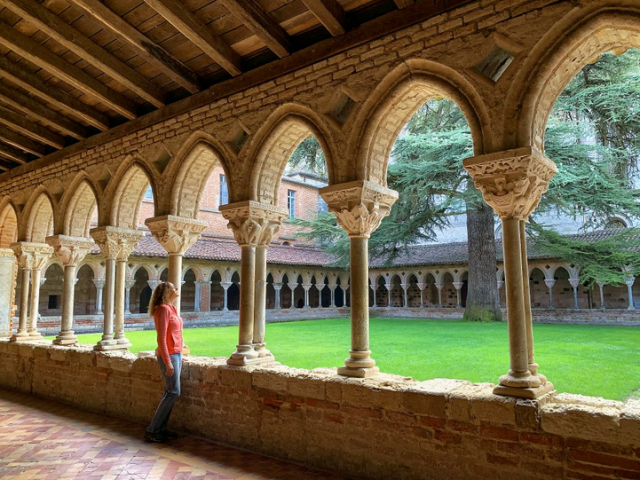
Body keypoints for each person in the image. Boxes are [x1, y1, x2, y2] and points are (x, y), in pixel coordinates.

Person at [144, 281, 184, 443]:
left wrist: (181, 348)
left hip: (177, 354)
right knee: (173, 392)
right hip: (169, 356)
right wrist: (168, 362)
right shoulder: (163, 310)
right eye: (174, 288)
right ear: (167, 292)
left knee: (170, 392)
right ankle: (152, 430)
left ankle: (161, 429)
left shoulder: (171, 309)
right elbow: (161, 338)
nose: (177, 289)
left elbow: (175, 332)